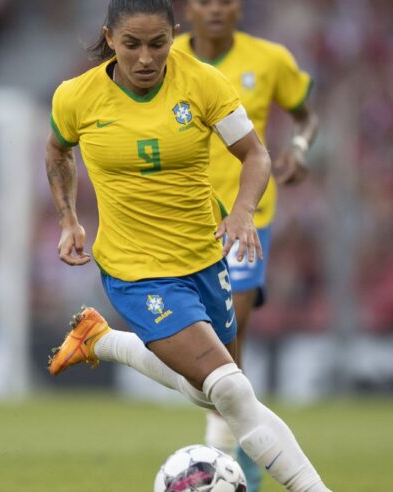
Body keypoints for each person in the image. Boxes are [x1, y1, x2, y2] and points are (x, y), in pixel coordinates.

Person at [45, 1, 331, 491]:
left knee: (218, 394)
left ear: (173, 35)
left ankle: (102, 340)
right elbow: (58, 151)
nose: (145, 58)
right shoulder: (76, 97)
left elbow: (255, 154)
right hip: (135, 271)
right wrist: (69, 218)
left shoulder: (201, 82)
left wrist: (242, 211)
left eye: (158, 44)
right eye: (132, 44)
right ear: (109, 38)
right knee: (232, 388)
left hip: (204, 258)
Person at [172, 1, 320, 490]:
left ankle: (226, 451)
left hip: (245, 218)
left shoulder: (270, 59)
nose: (215, 9)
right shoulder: (162, 57)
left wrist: (299, 149)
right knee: (201, 340)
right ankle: (244, 435)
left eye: (226, 0)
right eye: (204, 1)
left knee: (230, 336)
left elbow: (305, 118)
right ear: (187, 9)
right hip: (179, 218)